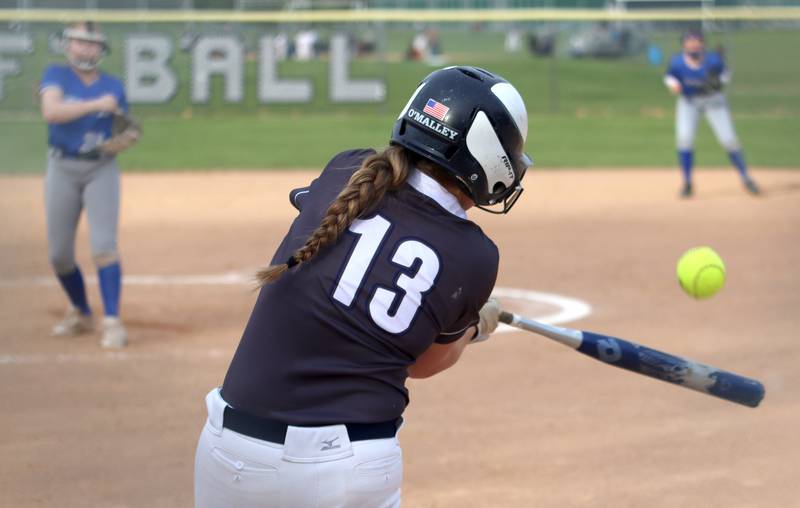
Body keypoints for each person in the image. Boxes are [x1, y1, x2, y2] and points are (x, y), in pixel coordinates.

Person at [194, 66, 532, 507]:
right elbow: (425, 363)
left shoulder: (347, 170)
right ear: (489, 155)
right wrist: (474, 328)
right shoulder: (474, 254)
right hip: (341, 470)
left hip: (227, 449)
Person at [39, 22, 135, 348]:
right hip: (61, 167)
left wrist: (117, 143)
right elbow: (51, 111)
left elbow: (127, 130)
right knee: (59, 255)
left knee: (104, 247)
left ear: (101, 49)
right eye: (79, 42)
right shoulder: (56, 75)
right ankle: (81, 311)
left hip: (100, 170)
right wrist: (95, 105)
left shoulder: (113, 85)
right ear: (67, 45)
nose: (85, 48)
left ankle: (112, 321)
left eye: (92, 43)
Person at [664, 30, 760, 198]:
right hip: (689, 103)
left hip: (714, 102)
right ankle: (687, 183)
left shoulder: (714, 60)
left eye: (696, 40)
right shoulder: (677, 62)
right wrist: (675, 86)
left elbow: (726, 74)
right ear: (684, 44)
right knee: (684, 140)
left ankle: (746, 178)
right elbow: (670, 78)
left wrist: (718, 81)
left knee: (729, 140)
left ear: (703, 43)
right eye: (689, 41)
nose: (693, 44)